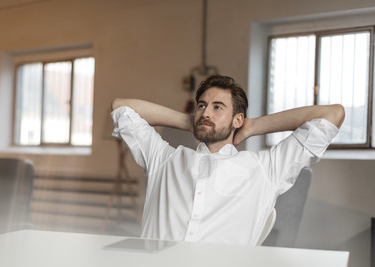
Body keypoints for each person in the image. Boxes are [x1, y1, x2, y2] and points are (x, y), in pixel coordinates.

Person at [110, 74, 345, 246]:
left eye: (218, 107)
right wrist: (191, 121)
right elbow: (121, 106)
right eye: (202, 106)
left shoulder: (264, 169)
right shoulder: (164, 158)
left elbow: (332, 114)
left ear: (237, 119)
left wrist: (254, 126)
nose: (206, 113)